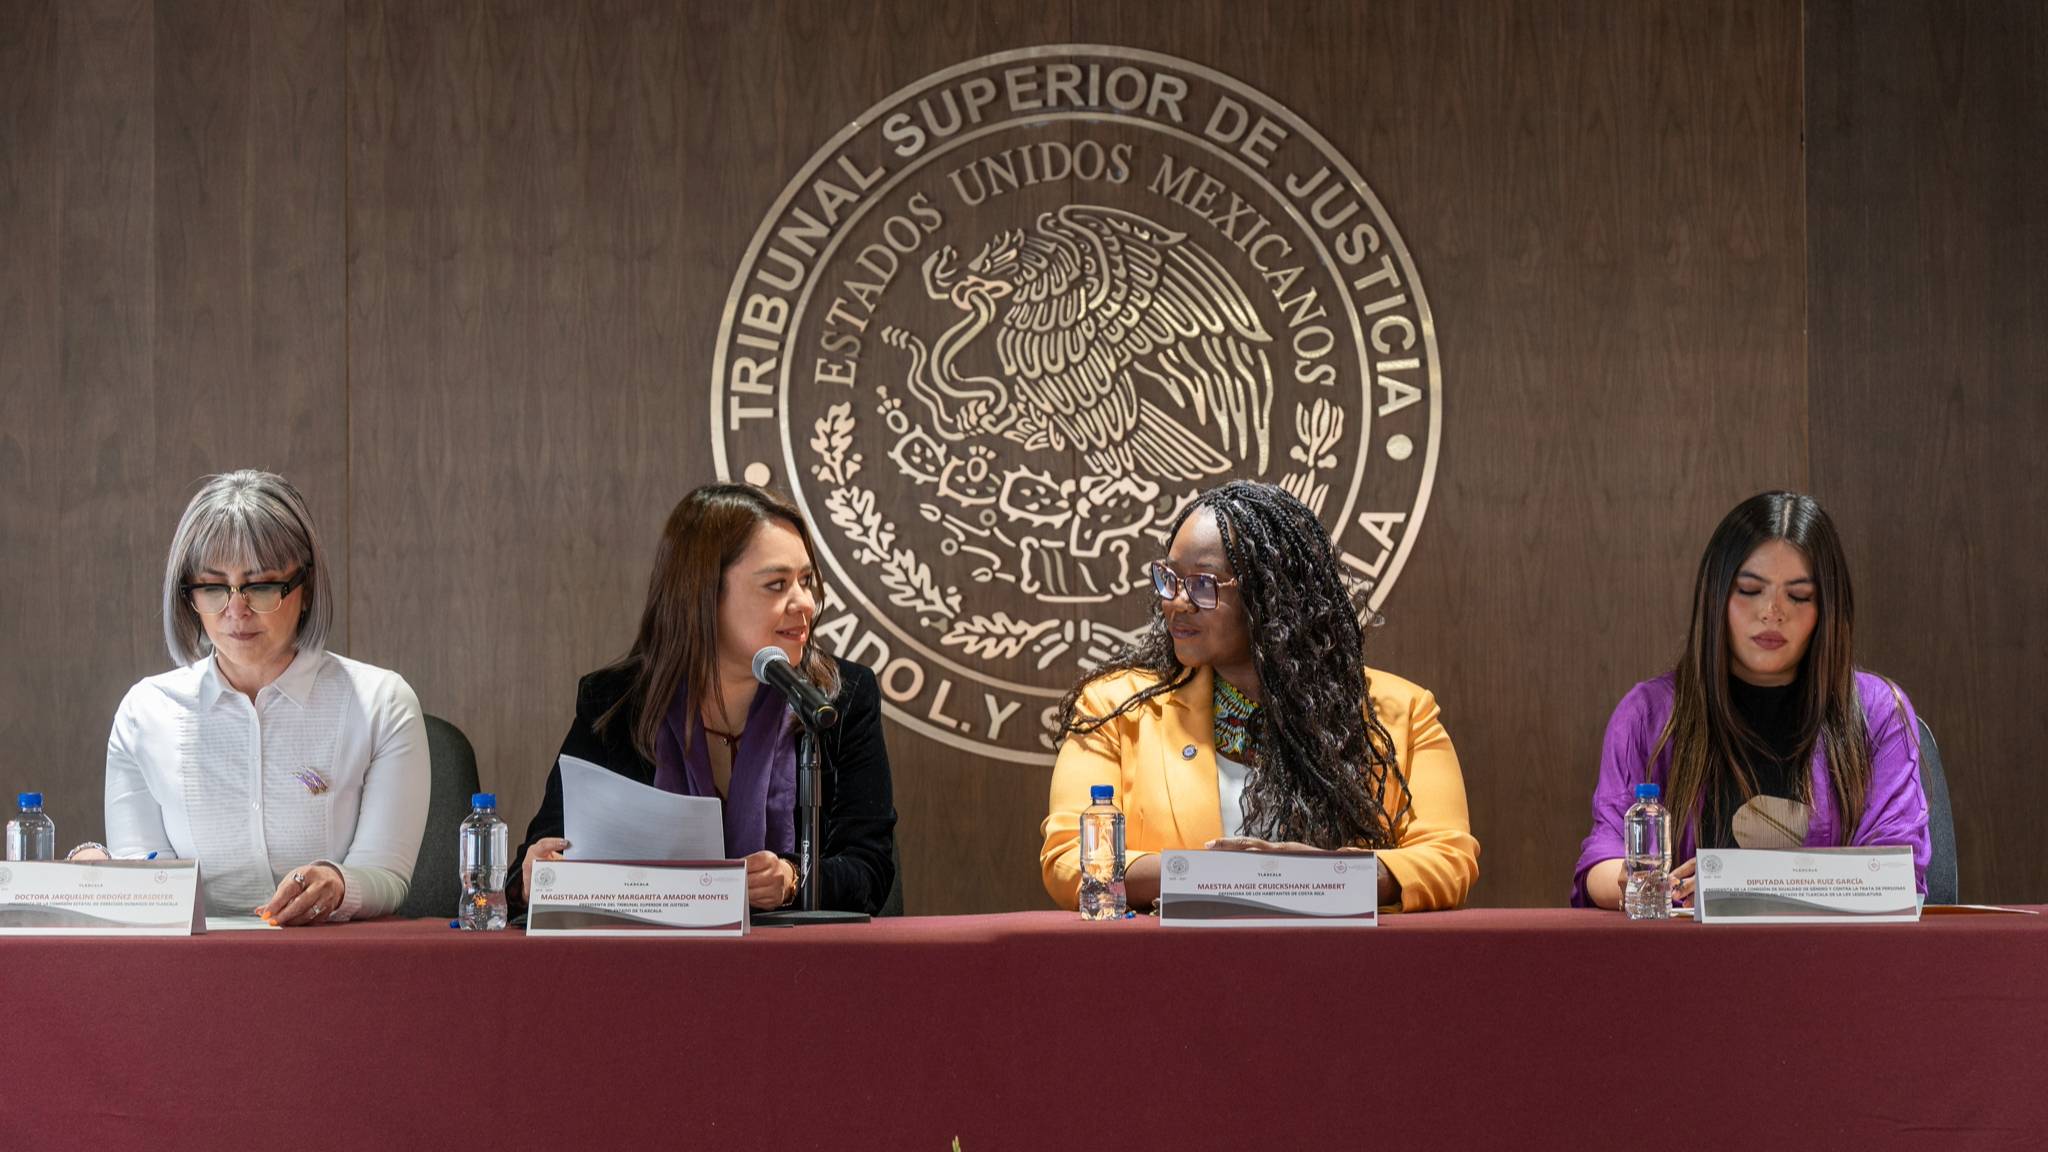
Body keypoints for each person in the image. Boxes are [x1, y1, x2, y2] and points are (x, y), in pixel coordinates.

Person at [1040, 481, 1480, 912]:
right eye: (1169, 578)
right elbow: (1071, 862)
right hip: (1174, 975)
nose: (1175, 602)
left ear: (1274, 595)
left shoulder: (1401, 711)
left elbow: (1448, 860)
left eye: (1202, 585)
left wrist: (1329, 875)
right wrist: (1215, 874)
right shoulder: (1115, 709)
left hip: (1341, 974)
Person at [508, 484, 895, 915]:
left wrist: (793, 879)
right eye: (776, 584)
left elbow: (870, 872)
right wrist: (536, 872)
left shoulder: (838, 699)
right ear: (704, 595)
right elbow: (536, 861)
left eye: (805, 581)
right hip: (650, 966)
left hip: (795, 967)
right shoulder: (615, 703)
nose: (804, 602)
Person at [79, 470, 428, 925]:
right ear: (188, 596)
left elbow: (386, 875)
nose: (235, 610)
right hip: (194, 972)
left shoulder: (381, 703)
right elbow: (150, 891)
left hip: (336, 965)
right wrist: (105, 872)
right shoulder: (146, 713)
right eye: (212, 587)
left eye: (260, 586)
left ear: (305, 590)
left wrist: (340, 883)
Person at [1573, 491, 1929, 908]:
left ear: (1828, 610)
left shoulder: (1879, 712)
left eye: (1798, 596)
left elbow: (1896, 872)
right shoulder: (1647, 715)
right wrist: (1647, 888)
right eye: (1749, 589)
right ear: (1716, 596)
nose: (1772, 612)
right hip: (1691, 963)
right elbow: (1602, 861)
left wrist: (1748, 891)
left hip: (1835, 962)